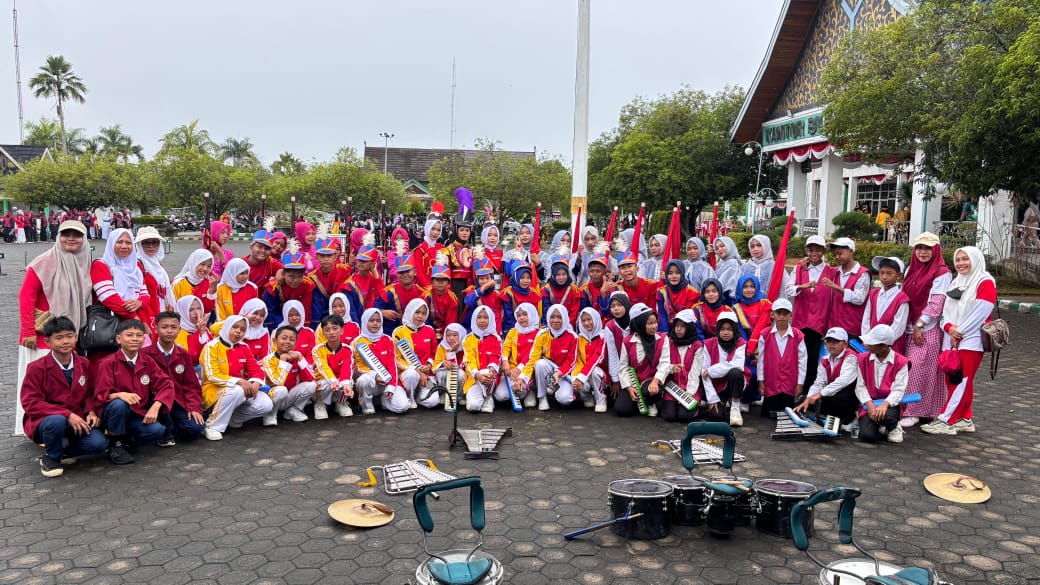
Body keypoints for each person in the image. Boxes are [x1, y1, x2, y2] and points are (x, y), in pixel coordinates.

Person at [18, 220, 92, 429]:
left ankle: (66, 426)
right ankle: (37, 427)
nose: (71, 239)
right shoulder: (44, 262)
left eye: (77, 235)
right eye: (66, 234)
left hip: (69, 333)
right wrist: (28, 331)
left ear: (84, 239)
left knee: (64, 385)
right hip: (42, 335)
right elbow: (26, 296)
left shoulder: (84, 261)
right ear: (58, 236)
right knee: (40, 384)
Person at [921, 246, 996, 436]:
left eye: (965, 259)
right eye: (958, 259)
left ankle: (946, 420)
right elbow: (945, 311)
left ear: (975, 260)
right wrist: (949, 328)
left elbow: (981, 313)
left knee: (962, 380)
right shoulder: (956, 281)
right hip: (952, 339)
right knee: (954, 379)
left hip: (970, 341)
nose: (961, 263)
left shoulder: (985, 282)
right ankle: (964, 418)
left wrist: (959, 332)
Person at [20, 317, 107, 477]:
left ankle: (63, 449)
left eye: (69, 336)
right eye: (59, 338)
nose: (66, 341)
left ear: (76, 337)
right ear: (48, 341)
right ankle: (51, 457)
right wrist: (67, 414)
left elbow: (89, 392)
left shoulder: (83, 363)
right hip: (46, 421)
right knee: (57, 421)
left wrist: (91, 411)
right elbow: (31, 403)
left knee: (99, 444)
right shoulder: (36, 368)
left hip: (78, 420)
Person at [93, 320, 176, 464]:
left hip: (137, 413)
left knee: (156, 430)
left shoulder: (147, 361)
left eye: (139, 335)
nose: (134, 339)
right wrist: (119, 394)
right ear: (119, 339)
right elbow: (99, 395)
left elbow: (167, 384)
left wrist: (156, 406)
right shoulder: (107, 363)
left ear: (144, 339)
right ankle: (114, 442)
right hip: (114, 414)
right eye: (129, 335)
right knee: (119, 404)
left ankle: (127, 439)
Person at [899, 233, 951, 427]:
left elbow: (937, 303)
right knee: (912, 370)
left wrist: (920, 325)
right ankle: (926, 410)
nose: (923, 252)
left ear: (936, 250)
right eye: (919, 248)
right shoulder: (911, 269)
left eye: (927, 248)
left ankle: (913, 411)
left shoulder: (941, 272)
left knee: (918, 370)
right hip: (908, 327)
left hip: (926, 329)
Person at [200, 315, 272, 440]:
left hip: (239, 389)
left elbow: (256, 369)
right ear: (227, 326)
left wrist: (255, 383)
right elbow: (212, 375)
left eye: (243, 329)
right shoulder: (211, 346)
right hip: (212, 389)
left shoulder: (243, 347)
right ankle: (212, 426)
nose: (239, 331)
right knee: (237, 390)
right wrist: (239, 381)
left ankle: (232, 419)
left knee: (266, 404)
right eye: (235, 327)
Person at [143, 311, 206, 446]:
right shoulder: (145, 354)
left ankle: (173, 428)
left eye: (173, 327)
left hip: (178, 401)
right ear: (156, 329)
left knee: (195, 428)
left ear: (179, 329)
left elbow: (192, 385)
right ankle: (166, 430)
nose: (169, 331)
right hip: (155, 402)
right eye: (164, 327)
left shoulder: (183, 354)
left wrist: (194, 407)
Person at [785, 235, 835, 389]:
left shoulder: (831, 271)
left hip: (819, 321)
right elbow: (789, 289)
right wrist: (803, 286)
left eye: (818, 250)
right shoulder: (799, 268)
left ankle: (808, 390)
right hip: (800, 320)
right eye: (811, 250)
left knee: (813, 357)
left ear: (823, 251)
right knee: (798, 356)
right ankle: (796, 387)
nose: (814, 253)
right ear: (806, 251)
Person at [91, 228, 155, 338]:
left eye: (128, 243)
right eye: (119, 242)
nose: (124, 246)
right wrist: (134, 319)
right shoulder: (101, 265)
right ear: (111, 243)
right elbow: (109, 298)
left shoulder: (136, 266)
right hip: (110, 324)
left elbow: (145, 294)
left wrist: (140, 303)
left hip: (138, 321)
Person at [794, 326, 859, 426]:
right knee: (804, 400)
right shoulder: (825, 360)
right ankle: (830, 415)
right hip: (832, 393)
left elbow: (843, 381)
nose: (831, 344)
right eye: (829, 341)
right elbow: (819, 382)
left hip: (848, 396)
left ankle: (850, 417)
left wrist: (819, 394)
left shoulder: (851, 357)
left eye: (836, 341)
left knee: (838, 400)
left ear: (845, 344)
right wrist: (809, 398)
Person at [855, 324, 908, 444]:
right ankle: (880, 425)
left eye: (871, 344)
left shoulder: (901, 362)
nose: (865, 345)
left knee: (888, 416)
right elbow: (860, 386)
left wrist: (885, 404)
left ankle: (893, 426)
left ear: (884, 346)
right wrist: (869, 404)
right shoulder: (863, 359)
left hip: (889, 404)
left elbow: (899, 389)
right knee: (867, 436)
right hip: (870, 402)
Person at [754, 299, 806, 419]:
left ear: (791, 315)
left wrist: (800, 383)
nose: (782, 316)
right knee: (768, 415)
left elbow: (802, 361)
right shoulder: (765, 334)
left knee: (787, 414)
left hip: (790, 382)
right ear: (773, 314)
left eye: (785, 313)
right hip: (771, 382)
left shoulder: (798, 335)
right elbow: (761, 360)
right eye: (778, 313)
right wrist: (761, 380)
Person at [519, 304, 578, 411]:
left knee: (565, 399)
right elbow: (533, 359)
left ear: (565, 318)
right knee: (540, 364)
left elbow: (571, 362)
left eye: (559, 317)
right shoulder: (542, 334)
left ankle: (556, 390)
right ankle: (542, 397)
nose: (555, 320)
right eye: (552, 317)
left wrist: (558, 373)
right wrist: (522, 378)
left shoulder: (572, 337)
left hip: (564, 375)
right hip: (548, 374)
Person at [616, 303, 670, 418]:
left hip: (651, 380)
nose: (654, 326)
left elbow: (664, 363)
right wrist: (629, 388)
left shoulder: (662, 339)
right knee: (622, 409)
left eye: (655, 322)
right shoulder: (628, 341)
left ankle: (651, 402)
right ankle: (641, 401)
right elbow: (623, 367)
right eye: (649, 323)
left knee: (649, 391)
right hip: (634, 380)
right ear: (640, 324)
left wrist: (655, 381)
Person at [353, 308, 406, 414]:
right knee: (364, 380)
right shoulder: (357, 342)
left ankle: (383, 400)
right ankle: (367, 405)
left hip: (387, 381)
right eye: (371, 320)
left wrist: (391, 386)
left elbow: (392, 365)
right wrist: (374, 376)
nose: (375, 323)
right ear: (365, 321)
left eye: (378, 320)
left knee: (402, 407)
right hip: (372, 381)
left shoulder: (387, 339)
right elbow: (358, 367)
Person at [261, 325, 319, 424]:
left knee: (312, 385)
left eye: (292, 339)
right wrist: (283, 361)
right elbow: (278, 382)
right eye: (284, 338)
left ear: (296, 343)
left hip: (289, 396)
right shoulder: (268, 360)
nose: (287, 342)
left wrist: (300, 358)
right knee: (281, 390)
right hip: (273, 397)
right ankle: (270, 415)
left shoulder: (296, 356)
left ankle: (294, 410)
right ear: (275, 340)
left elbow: (311, 377)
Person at [700, 312, 747, 425]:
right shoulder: (708, 344)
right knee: (716, 416)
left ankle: (735, 407)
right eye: (722, 329)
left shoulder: (740, 343)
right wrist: (713, 398)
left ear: (735, 330)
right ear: (717, 330)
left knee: (735, 372)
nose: (726, 332)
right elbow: (704, 373)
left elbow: (738, 364)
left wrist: (712, 370)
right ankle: (722, 402)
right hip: (718, 386)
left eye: (729, 329)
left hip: (735, 382)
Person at [393, 299, 440, 409]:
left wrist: (429, 365)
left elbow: (435, 352)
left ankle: (418, 395)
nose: (420, 316)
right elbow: (397, 358)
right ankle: (410, 396)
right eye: (417, 312)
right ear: (410, 311)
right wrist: (417, 370)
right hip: (407, 373)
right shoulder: (399, 332)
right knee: (412, 375)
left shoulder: (429, 330)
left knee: (433, 402)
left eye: (423, 313)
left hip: (427, 375)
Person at [823, 237, 870, 340]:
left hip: (852, 326)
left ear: (851, 251)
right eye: (835, 254)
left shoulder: (862, 273)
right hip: (834, 325)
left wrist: (837, 287)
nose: (837, 257)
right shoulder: (835, 271)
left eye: (840, 253)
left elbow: (859, 299)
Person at [862, 256, 910, 354]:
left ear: (899, 275)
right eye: (882, 273)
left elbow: (898, 327)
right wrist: (867, 339)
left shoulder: (902, 299)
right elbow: (866, 319)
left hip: (890, 347)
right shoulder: (873, 294)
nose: (884, 277)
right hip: (871, 345)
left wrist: (880, 343)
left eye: (889, 273)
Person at [663, 309, 703, 423]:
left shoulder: (697, 346)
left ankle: (695, 408)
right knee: (669, 416)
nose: (678, 329)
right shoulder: (669, 342)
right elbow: (663, 364)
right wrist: (671, 368)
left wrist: (688, 394)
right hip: (672, 386)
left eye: (682, 326)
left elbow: (695, 372)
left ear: (689, 327)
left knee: (684, 416)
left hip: (690, 386)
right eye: (676, 326)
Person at [312, 314, 356, 417]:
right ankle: (320, 403)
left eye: (335, 328)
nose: (331, 332)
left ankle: (341, 403)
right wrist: (333, 381)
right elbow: (323, 367)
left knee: (349, 382)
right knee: (324, 383)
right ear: (323, 333)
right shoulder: (318, 350)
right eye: (327, 330)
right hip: (323, 380)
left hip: (338, 380)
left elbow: (347, 368)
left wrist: (345, 384)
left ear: (342, 330)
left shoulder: (348, 349)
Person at [462, 306, 504, 413]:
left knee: (486, 372)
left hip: (490, 376)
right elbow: (469, 360)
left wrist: (491, 372)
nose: (482, 320)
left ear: (491, 319)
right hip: (474, 378)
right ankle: (480, 396)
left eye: (485, 317)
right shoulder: (467, 339)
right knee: (473, 407)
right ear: (474, 319)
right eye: (479, 317)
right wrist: (477, 375)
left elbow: (496, 357)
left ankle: (488, 397)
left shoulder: (496, 339)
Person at [375, 250, 426, 335]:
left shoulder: (422, 293)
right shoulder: (388, 292)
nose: (405, 274)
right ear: (397, 274)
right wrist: (382, 312)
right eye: (401, 272)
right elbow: (374, 310)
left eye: (408, 271)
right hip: (391, 334)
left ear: (415, 272)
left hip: (415, 334)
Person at [500, 303, 541, 408]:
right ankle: (522, 391)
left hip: (529, 369)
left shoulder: (539, 334)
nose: (521, 318)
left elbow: (532, 354)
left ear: (532, 314)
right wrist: (505, 361)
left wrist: (520, 368)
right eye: (518, 315)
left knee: (521, 391)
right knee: (501, 396)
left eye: (525, 314)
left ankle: (530, 391)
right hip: (513, 369)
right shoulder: (513, 331)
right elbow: (506, 347)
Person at [263, 251, 315, 329]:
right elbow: (270, 312)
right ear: (283, 274)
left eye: (299, 276)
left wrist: (304, 328)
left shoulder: (308, 285)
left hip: (298, 318)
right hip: (278, 319)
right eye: (291, 277)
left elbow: (306, 309)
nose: (296, 280)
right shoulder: (272, 287)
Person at [572, 306, 609, 412]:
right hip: (585, 374)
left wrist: (581, 377)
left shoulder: (603, 337)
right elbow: (578, 361)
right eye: (583, 321)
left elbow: (596, 358)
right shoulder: (579, 338)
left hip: (601, 376)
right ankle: (587, 397)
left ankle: (601, 399)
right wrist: (576, 378)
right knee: (575, 382)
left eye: (589, 319)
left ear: (596, 319)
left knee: (594, 371)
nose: (586, 323)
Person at [309, 237, 351, 328]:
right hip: (322, 315)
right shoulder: (312, 277)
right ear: (316, 257)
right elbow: (316, 306)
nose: (326, 259)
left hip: (341, 311)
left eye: (329, 256)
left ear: (335, 256)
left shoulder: (344, 270)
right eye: (322, 256)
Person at [462, 249, 505, 334]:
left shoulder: (497, 295)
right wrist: (483, 288)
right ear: (476, 280)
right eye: (481, 278)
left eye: (487, 278)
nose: (485, 281)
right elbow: (469, 302)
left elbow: (497, 318)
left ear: (492, 278)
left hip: (492, 333)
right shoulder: (471, 292)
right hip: (473, 333)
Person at [343, 236, 385, 322]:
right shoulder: (350, 283)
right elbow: (351, 310)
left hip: (373, 321)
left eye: (364, 261)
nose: (360, 263)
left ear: (372, 263)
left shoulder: (374, 278)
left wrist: (375, 272)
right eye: (359, 260)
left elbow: (383, 297)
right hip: (357, 321)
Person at [135, 227, 175, 312]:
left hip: (162, 306)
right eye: (146, 243)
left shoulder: (157, 264)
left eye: (155, 242)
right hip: (147, 309)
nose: (151, 246)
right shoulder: (137, 265)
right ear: (140, 245)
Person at [656, 260, 701, 334]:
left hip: (686, 330)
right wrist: (665, 334)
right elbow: (662, 316)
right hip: (669, 329)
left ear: (682, 274)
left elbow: (689, 317)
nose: (674, 276)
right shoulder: (662, 292)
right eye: (670, 273)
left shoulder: (692, 292)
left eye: (677, 273)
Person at [602, 292, 632, 401]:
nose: (616, 309)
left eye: (619, 305)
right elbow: (612, 354)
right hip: (621, 369)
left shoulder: (635, 323)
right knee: (619, 405)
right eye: (612, 306)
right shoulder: (610, 326)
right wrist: (616, 380)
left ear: (627, 304)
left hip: (636, 369)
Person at [541, 248, 581, 327]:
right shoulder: (546, 290)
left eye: (564, 274)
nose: (561, 277)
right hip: (551, 326)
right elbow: (546, 312)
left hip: (568, 326)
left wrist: (566, 327)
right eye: (558, 274)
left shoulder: (574, 290)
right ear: (553, 275)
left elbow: (574, 312)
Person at [615, 239, 660, 308]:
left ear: (637, 268)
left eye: (629, 266)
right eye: (623, 268)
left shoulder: (651, 285)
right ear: (619, 273)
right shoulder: (616, 288)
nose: (627, 270)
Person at [172, 249, 218, 314]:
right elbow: (174, 309)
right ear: (194, 262)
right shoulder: (178, 284)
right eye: (202, 264)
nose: (205, 269)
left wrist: (212, 291)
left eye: (209, 266)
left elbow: (208, 309)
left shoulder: (209, 284)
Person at [426, 253, 461, 340]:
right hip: (428, 331)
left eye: (443, 280)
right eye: (437, 280)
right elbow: (424, 318)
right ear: (432, 281)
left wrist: (446, 337)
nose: (440, 282)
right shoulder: (426, 296)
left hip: (446, 333)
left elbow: (450, 322)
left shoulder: (452, 299)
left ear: (448, 283)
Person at [579, 243, 617, 318]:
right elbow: (584, 312)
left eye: (598, 271)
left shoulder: (614, 288)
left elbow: (608, 313)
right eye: (592, 271)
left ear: (605, 273)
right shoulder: (585, 289)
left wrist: (603, 293)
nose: (594, 274)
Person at [501, 262, 542, 332]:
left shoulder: (533, 293)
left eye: (528, 278)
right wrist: (515, 332)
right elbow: (508, 317)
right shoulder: (509, 293)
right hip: (513, 329)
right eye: (522, 277)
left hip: (531, 329)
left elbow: (534, 315)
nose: (526, 281)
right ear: (516, 277)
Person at [446, 212, 474, 307]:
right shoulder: (448, 249)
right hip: (455, 286)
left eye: (467, 230)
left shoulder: (473, 250)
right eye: (461, 230)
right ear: (456, 231)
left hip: (470, 286)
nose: (464, 233)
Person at [412, 218, 445, 289]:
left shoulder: (442, 248)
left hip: (441, 288)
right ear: (427, 228)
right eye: (433, 229)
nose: (435, 232)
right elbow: (419, 273)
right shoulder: (419, 250)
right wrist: (429, 289)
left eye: (438, 230)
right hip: (425, 290)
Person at [712, 237, 742, 303]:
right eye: (717, 248)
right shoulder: (722, 263)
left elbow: (720, 285)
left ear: (729, 245)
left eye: (722, 246)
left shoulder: (733, 264)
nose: (719, 249)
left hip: (727, 301)